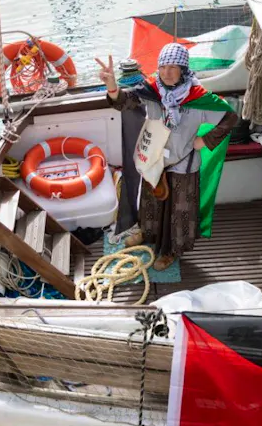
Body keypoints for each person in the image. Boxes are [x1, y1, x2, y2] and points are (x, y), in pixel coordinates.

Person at [97, 43, 238, 271]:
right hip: (154, 160)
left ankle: (171, 251)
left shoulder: (198, 98)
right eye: (163, 67)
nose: (167, 72)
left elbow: (230, 117)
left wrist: (205, 140)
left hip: (183, 165)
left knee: (179, 211)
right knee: (150, 202)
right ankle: (148, 233)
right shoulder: (152, 91)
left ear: (183, 69)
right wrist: (111, 85)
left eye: (173, 67)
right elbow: (124, 102)